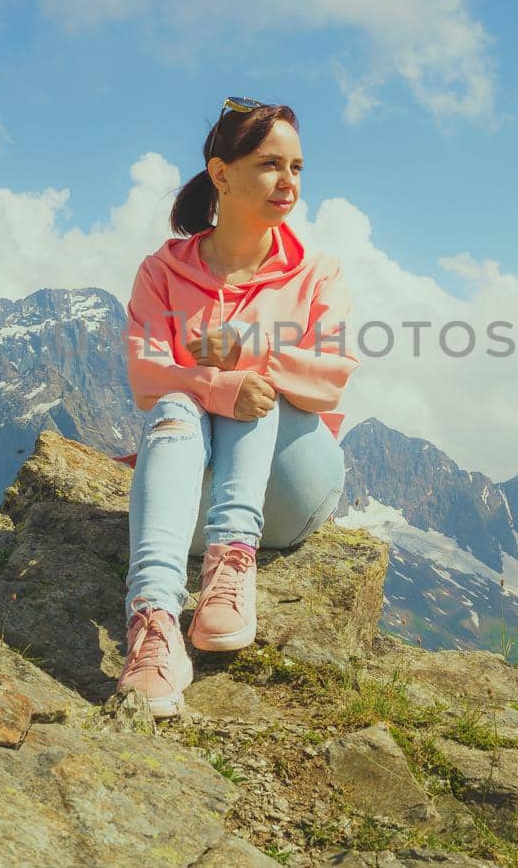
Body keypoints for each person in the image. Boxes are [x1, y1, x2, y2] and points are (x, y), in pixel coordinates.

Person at [116, 96, 360, 718]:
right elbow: (146, 380)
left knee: (255, 386)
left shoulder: (319, 274)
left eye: (298, 168)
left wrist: (251, 353)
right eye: (270, 165)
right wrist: (217, 385)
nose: (289, 183)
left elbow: (332, 379)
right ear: (221, 174)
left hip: (291, 483)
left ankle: (234, 561)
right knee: (174, 405)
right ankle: (154, 625)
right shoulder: (162, 273)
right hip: (188, 501)